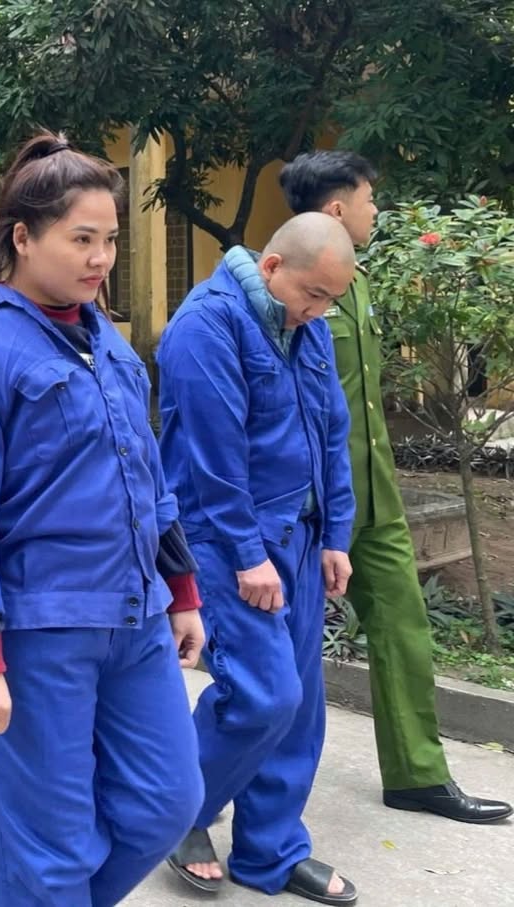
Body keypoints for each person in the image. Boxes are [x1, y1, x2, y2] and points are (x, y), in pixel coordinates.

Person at [0, 133, 206, 907]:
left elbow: (147, 470)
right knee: (49, 844)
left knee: (168, 800)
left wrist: (180, 587)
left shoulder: (102, 336)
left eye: (109, 239)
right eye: (82, 239)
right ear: (23, 236)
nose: (101, 257)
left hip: (134, 617)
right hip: (38, 627)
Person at [279, 151, 511, 824]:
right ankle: (222, 791)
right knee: (282, 654)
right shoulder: (287, 285)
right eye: (368, 199)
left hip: (373, 497)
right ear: (336, 208)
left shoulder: (354, 283)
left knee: (404, 627)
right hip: (307, 503)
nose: (375, 209)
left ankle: (417, 774)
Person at [160, 213, 359, 904]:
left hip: (299, 538)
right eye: (313, 294)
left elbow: (332, 433)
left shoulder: (309, 328)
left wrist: (336, 533)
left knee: (299, 706)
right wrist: (248, 555)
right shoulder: (206, 326)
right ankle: (176, 813)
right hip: (226, 541)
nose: (319, 311)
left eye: (332, 299)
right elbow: (213, 459)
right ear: (271, 267)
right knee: (262, 693)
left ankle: (270, 851)